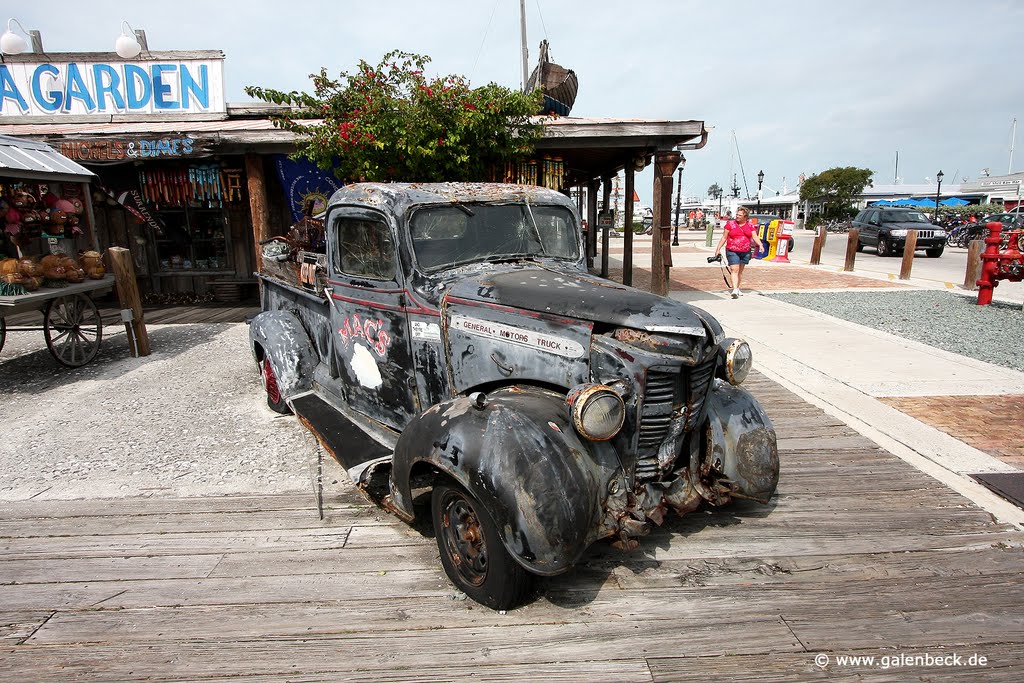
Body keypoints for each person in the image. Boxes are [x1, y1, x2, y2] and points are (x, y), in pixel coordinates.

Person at [714, 207, 764, 299]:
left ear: (745, 217)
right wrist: (718, 249)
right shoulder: (730, 224)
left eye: (739, 215)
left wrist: (760, 245)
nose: (737, 216)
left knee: (740, 272)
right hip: (732, 250)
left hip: (745, 251)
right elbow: (724, 237)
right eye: (737, 214)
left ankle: (737, 287)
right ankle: (735, 289)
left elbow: (754, 236)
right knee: (734, 269)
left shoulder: (750, 225)